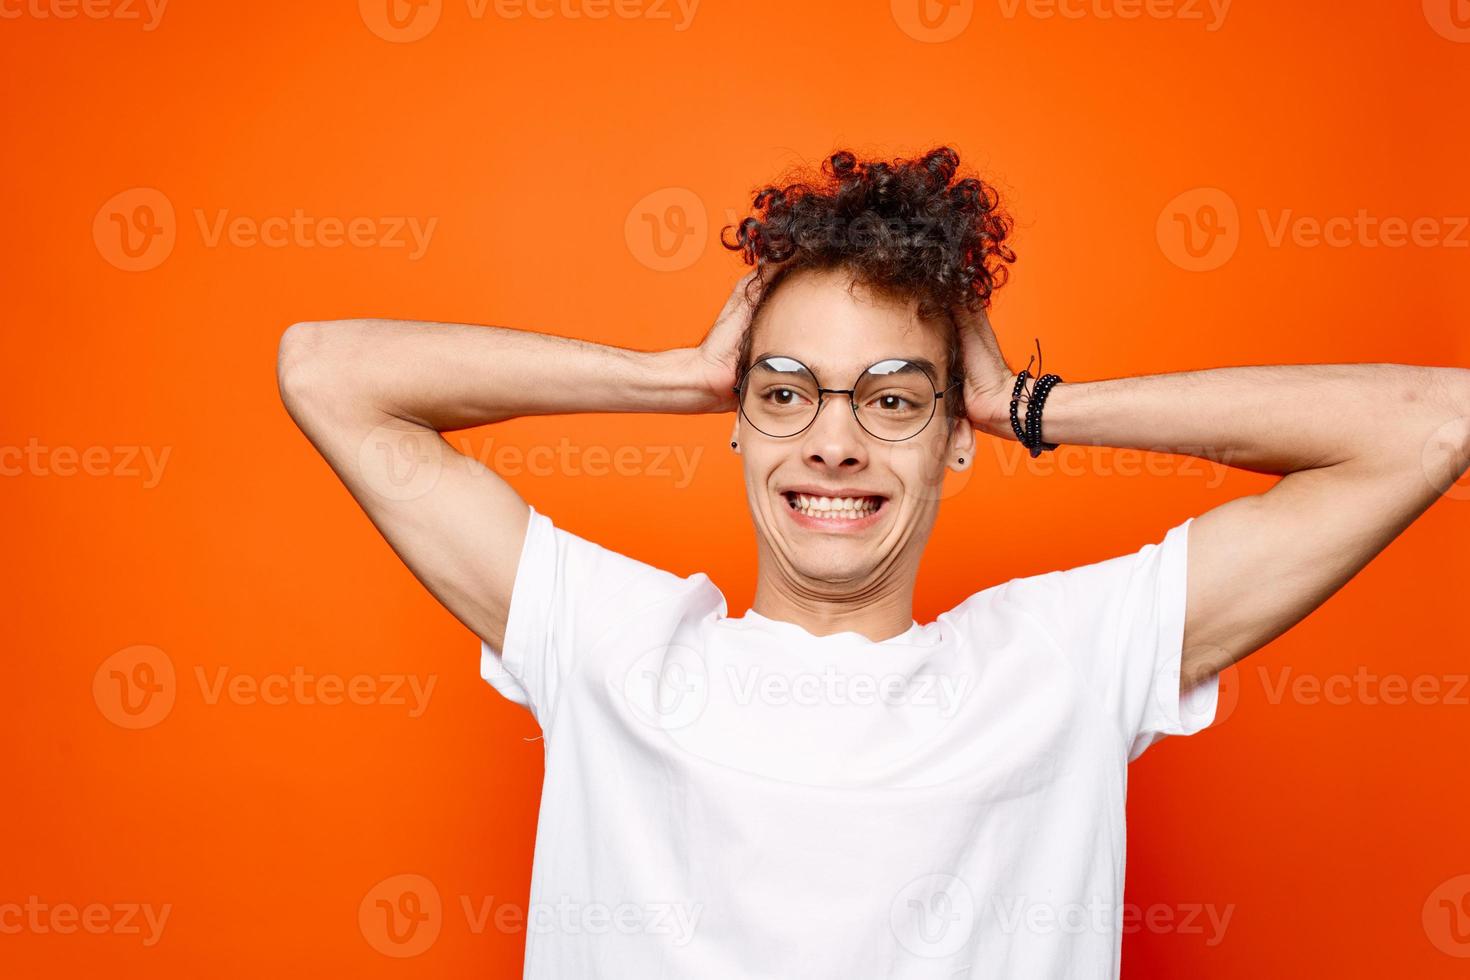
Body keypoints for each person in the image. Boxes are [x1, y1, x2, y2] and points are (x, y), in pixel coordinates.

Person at [276, 146, 1470, 978]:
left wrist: (1033, 400)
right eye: (786, 392)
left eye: (894, 398)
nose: (834, 441)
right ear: (738, 415)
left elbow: (1432, 421)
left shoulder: (1060, 664)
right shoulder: (609, 641)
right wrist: (676, 373)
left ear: (957, 435)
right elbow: (327, 370)